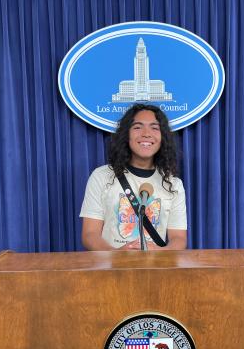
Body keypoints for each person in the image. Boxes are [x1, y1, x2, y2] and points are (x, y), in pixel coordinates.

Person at [80, 103, 187, 250]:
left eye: (154, 128)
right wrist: (116, 256)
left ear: (162, 137)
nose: (146, 133)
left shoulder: (173, 184)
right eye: (138, 127)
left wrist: (162, 253)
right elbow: (90, 235)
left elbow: (179, 239)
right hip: (111, 270)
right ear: (126, 135)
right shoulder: (101, 176)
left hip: (155, 270)